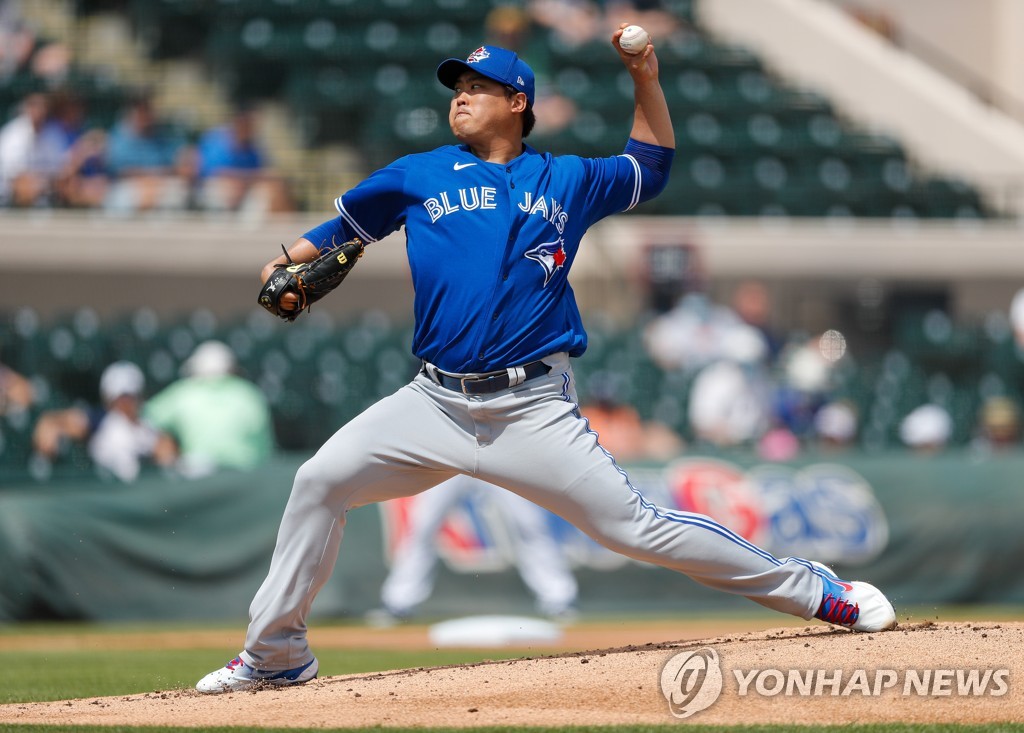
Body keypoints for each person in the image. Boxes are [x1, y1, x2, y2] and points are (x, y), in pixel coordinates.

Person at [196, 29, 895, 694]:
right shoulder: (418, 174)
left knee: (638, 526)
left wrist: (644, 78)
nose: (461, 96)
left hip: (531, 408)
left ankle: (819, 591)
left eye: (479, 85)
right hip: (432, 402)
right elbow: (339, 231)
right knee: (319, 480)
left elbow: (650, 165)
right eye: (457, 86)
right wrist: (285, 259)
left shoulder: (566, 180)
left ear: (517, 103)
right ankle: (276, 653)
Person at [369, 474, 578, 625]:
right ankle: (398, 602)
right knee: (422, 526)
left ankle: (559, 599)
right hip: (449, 451)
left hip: (498, 445)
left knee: (531, 524)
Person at [143, 340, 274, 478]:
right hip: (248, 478)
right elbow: (265, 449)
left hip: (201, 478)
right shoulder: (250, 394)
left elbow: (146, 417)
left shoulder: (184, 392)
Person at [31, 361, 177, 482]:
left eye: (131, 396)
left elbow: (166, 451)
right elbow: (52, 423)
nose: (127, 403)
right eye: (122, 397)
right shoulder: (101, 419)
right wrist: (49, 429)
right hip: (107, 488)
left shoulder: (146, 426)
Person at [194, 107, 293, 214]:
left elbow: (258, 171)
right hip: (213, 186)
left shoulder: (252, 147)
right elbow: (214, 172)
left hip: (244, 187)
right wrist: (249, 177)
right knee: (230, 187)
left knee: (272, 189)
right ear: (240, 122)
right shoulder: (217, 140)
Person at [0, 92, 66, 206]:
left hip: (46, 187)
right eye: (34, 106)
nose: (39, 111)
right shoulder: (12, 134)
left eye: (42, 107)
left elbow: (60, 170)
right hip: (10, 193)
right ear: (26, 109)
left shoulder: (53, 132)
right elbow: (15, 178)